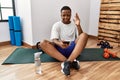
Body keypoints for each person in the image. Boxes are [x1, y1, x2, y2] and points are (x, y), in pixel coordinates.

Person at [39, 6, 88, 76]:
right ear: (60, 15)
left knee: (85, 35)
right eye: (64, 15)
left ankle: (67, 62)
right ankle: (69, 62)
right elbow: (54, 40)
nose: (66, 17)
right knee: (42, 43)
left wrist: (78, 25)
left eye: (68, 15)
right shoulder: (56, 25)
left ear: (71, 15)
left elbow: (81, 37)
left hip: (72, 49)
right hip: (59, 50)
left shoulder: (74, 24)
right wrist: (59, 43)